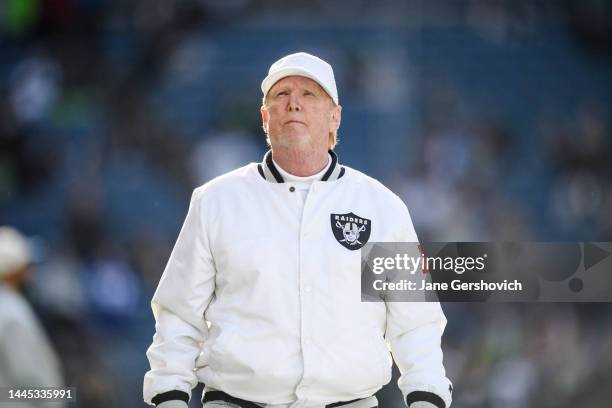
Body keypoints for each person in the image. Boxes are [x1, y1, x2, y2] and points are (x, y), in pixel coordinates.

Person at [144, 52, 452, 408]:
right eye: (281, 95)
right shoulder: (215, 201)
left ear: (335, 117)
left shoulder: (382, 207)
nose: (293, 104)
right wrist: (168, 395)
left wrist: (426, 397)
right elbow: (180, 313)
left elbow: (414, 321)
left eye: (309, 95)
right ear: (264, 117)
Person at [0, 226, 65, 407]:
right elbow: (28, 374)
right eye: (25, 266)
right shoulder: (11, 312)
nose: (30, 272)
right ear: (12, 271)